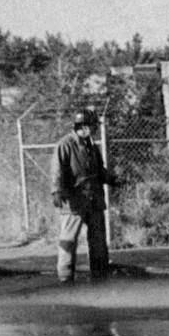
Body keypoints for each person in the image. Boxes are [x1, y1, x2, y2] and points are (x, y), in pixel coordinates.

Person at [52, 108, 119, 283]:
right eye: (86, 125)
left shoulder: (91, 146)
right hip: (74, 199)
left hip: (94, 198)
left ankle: (100, 274)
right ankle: (65, 277)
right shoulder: (65, 145)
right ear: (79, 126)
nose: (90, 129)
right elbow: (57, 171)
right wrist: (56, 191)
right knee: (69, 240)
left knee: (98, 240)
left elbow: (100, 171)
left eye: (92, 126)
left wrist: (112, 179)